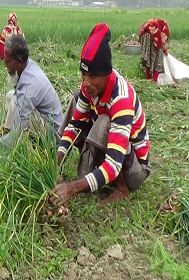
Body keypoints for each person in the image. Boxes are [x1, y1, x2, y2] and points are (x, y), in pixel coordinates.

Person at [49, 23, 151, 208]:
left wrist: (72, 188)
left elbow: (113, 165)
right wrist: (57, 161)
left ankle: (122, 189)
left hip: (133, 169)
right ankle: (91, 172)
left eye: (92, 76)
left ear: (105, 74)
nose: (86, 82)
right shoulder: (88, 88)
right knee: (75, 101)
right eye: (83, 75)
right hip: (113, 153)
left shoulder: (121, 98)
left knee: (104, 122)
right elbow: (75, 126)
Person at [0, 35, 63, 148]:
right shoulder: (27, 64)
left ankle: (28, 148)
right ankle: (7, 131)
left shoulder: (30, 86)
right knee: (11, 96)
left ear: (19, 61)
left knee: (23, 118)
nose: (5, 65)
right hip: (45, 121)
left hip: (54, 136)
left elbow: (19, 130)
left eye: (8, 61)